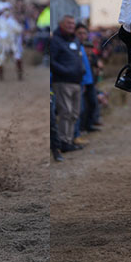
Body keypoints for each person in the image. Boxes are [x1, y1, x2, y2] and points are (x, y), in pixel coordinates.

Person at [48, 15, 85, 156]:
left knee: (75, 113)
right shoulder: (55, 40)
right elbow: (52, 61)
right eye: (68, 23)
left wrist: (81, 71)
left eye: (73, 23)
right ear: (61, 24)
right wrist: (66, 71)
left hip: (76, 82)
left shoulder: (75, 39)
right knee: (66, 112)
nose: (71, 25)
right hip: (63, 82)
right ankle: (64, 141)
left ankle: (69, 140)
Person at [0, 2, 25, 80]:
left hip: (12, 42)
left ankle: (20, 74)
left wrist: (15, 28)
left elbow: (19, 30)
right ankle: (1, 76)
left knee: (17, 57)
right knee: (0, 59)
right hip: (2, 43)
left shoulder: (12, 21)